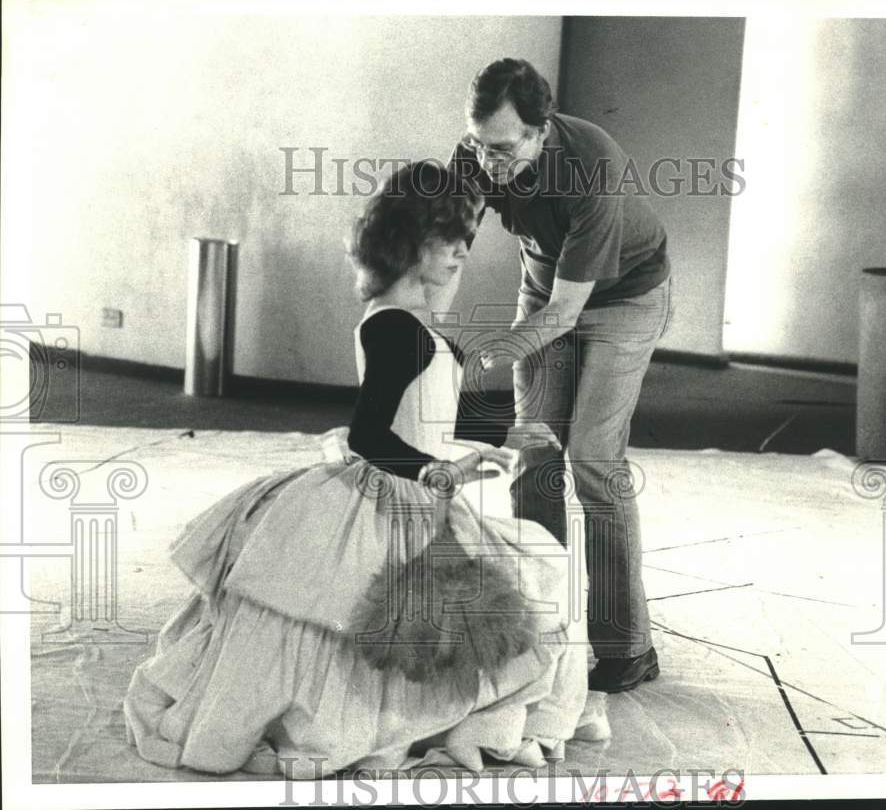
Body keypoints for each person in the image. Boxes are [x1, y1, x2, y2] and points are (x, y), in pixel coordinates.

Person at [123, 161, 608, 778]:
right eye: (451, 245)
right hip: (394, 500)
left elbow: (421, 416)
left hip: (414, 491)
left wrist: (496, 434)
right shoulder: (396, 328)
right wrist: (442, 472)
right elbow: (370, 435)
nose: (462, 253)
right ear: (411, 247)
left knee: (537, 569)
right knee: (536, 572)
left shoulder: (406, 322)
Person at [449, 58, 672, 693]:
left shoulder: (590, 165)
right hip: (545, 286)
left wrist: (482, 354)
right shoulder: (477, 154)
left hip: (624, 300)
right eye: (476, 144)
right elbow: (447, 246)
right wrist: (423, 322)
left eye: (500, 149)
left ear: (541, 131)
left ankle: (627, 646)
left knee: (594, 459)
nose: (486, 163)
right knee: (536, 451)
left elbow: (568, 314)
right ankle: (546, 629)